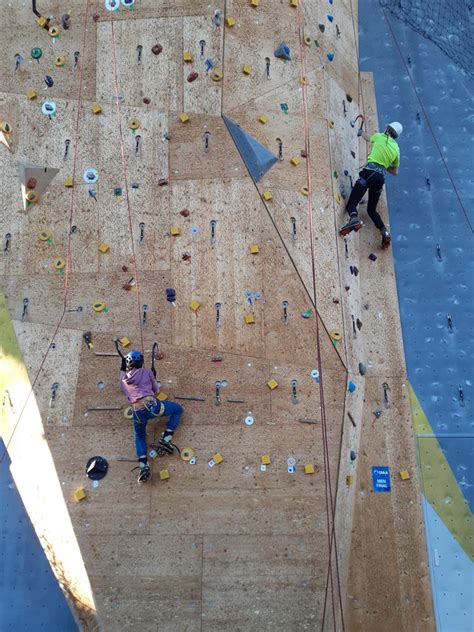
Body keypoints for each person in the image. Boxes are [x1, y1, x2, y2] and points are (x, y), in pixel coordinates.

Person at [119, 350, 183, 483]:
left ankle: (143, 465)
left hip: (137, 413)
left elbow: (123, 379)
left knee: (140, 436)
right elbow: (156, 390)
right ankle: (166, 438)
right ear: (141, 362)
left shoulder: (123, 379)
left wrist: (123, 366)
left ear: (128, 364)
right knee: (177, 409)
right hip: (152, 407)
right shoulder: (147, 371)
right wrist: (152, 375)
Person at [340, 121, 403, 248]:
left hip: (369, 172)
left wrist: (360, 132)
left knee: (352, 204)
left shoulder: (380, 136)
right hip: (380, 178)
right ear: (396, 136)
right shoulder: (396, 149)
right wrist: (384, 166)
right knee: (371, 210)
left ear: (387, 129)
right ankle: (384, 232)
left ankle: (354, 218)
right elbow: (395, 172)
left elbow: (368, 137)